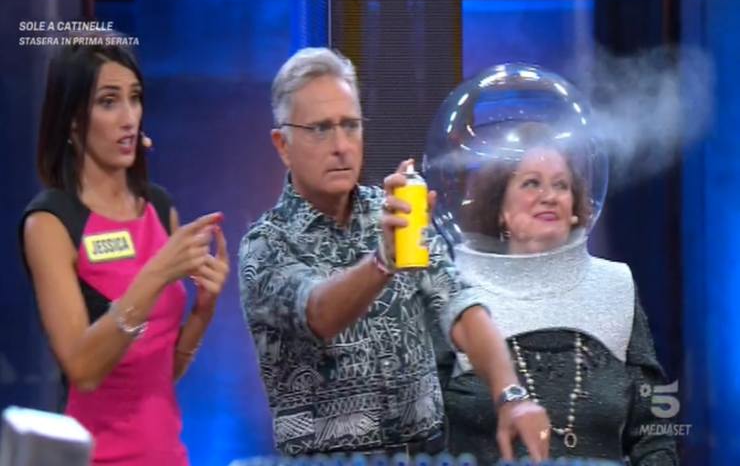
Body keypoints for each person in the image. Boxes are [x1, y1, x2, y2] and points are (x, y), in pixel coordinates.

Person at [238, 47, 550, 459]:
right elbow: (319, 314)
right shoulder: (265, 244)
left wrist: (510, 394)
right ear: (283, 144)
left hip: (424, 455)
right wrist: (383, 261)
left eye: (350, 125)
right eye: (320, 129)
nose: (341, 145)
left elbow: (459, 306)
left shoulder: (396, 213)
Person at [19, 40, 229, 466]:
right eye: (109, 102)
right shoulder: (51, 223)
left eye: (134, 98)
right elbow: (84, 369)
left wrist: (203, 311)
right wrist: (154, 276)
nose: (129, 118)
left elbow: (161, 374)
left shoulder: (160, 208)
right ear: (72, 121)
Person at [439, 123, 678, 463]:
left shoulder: (615, 285)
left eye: (561, 185)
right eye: (531, 183)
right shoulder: (457, 292)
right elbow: (424, 433)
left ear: (575, 208)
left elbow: (653, 432)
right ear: (500, 208)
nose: (549, 196)